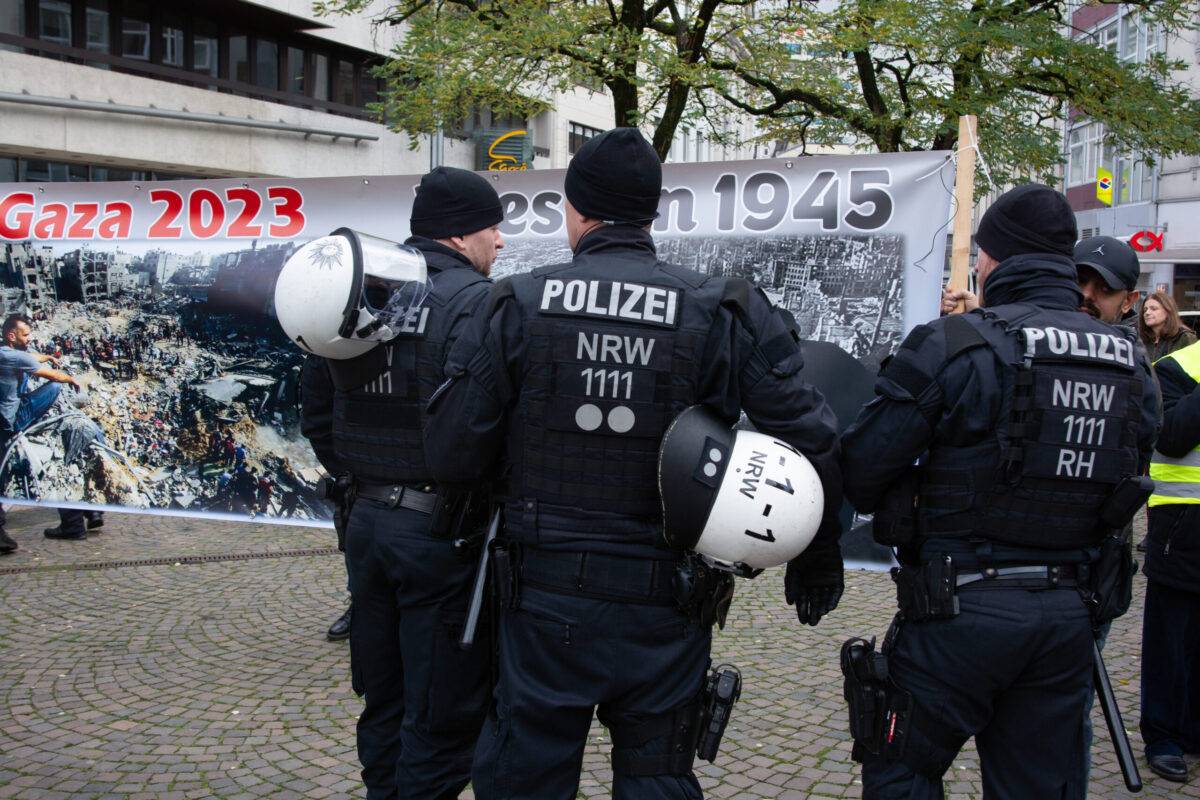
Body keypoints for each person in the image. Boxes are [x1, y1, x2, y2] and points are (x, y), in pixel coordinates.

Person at [423, 127, 844, 800]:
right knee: (656, 780)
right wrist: (818, 550)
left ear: (576, 210)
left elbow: (452, 453)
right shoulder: (723, 310)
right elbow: (812, 435)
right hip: (667, 599)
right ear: (652, 212)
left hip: (542, 595)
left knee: (524, 777)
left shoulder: (515, 305)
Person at [843, 184, 1160, 798]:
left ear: (995, 258)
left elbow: (862, 466)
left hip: (956, 612)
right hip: (1069, 614)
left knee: (903, 771)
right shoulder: (1130, 364)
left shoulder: (954, 343)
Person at [298, 166, 503, 799]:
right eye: (494, 229)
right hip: (443, 535)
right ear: (463, 234)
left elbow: (315, 416)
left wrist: (366, 477)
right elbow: (497, 428)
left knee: (383, 699)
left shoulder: (357, 291)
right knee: (438, 718)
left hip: (366, 524)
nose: (500, 243)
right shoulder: (481, 303)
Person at [1141, 337, 1200, 783]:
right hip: (1183, 528)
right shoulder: (1176, 368)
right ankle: (1164, 736)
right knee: (1171, 641)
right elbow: (1173, 438)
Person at [0, 313, 80, 436]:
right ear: (11, 336)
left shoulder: (4, 351)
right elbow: (55, 376)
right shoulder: (18, 357)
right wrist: (71, 379)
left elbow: (29, 357)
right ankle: (24, 427)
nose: (29, 338)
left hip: (2, 414)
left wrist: (48, 357)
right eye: (25, 335)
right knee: (55, 386)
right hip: (10, 423)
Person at [1139, 289, 1196, 364]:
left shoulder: (1184, 338)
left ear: (1167, 311)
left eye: (1153, 309)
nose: (1147, 313)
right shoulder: (1140, 339)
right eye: (1145, 310)